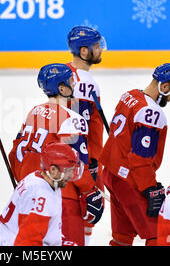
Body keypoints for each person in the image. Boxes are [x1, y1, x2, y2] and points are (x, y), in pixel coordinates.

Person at [8, 63, 104, 246]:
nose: (74, 85)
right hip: (61, 196)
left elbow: (15, 153)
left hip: (28, 191)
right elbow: (77, 166)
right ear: (61, 88)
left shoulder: (33, 112)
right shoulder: (72, 119)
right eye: (70, 82)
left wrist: (23, 180)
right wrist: (90, 191)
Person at [99, 63, 170, 246]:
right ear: (164, 86)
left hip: (111, 174)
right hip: (130, 181)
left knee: (121, 237)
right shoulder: (151, 112)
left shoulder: (130, 95)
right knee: (158, 234)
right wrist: (150, 188)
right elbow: (140, 158)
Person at [0, 142, 91, 246]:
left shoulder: (44, 180)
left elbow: (46, 232)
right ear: (53, 170)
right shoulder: (43, 195)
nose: (71, 175)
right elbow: (27, 242)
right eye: (68, 170)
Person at [66, 25, 107, 244]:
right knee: (88, 213)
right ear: (84, 51)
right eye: (97, 46)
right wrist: (90, 163)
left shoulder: (63, 71)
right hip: (83, 160)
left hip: (65, 159)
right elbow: (80, 127)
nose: (101, 50)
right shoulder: (87, 83)